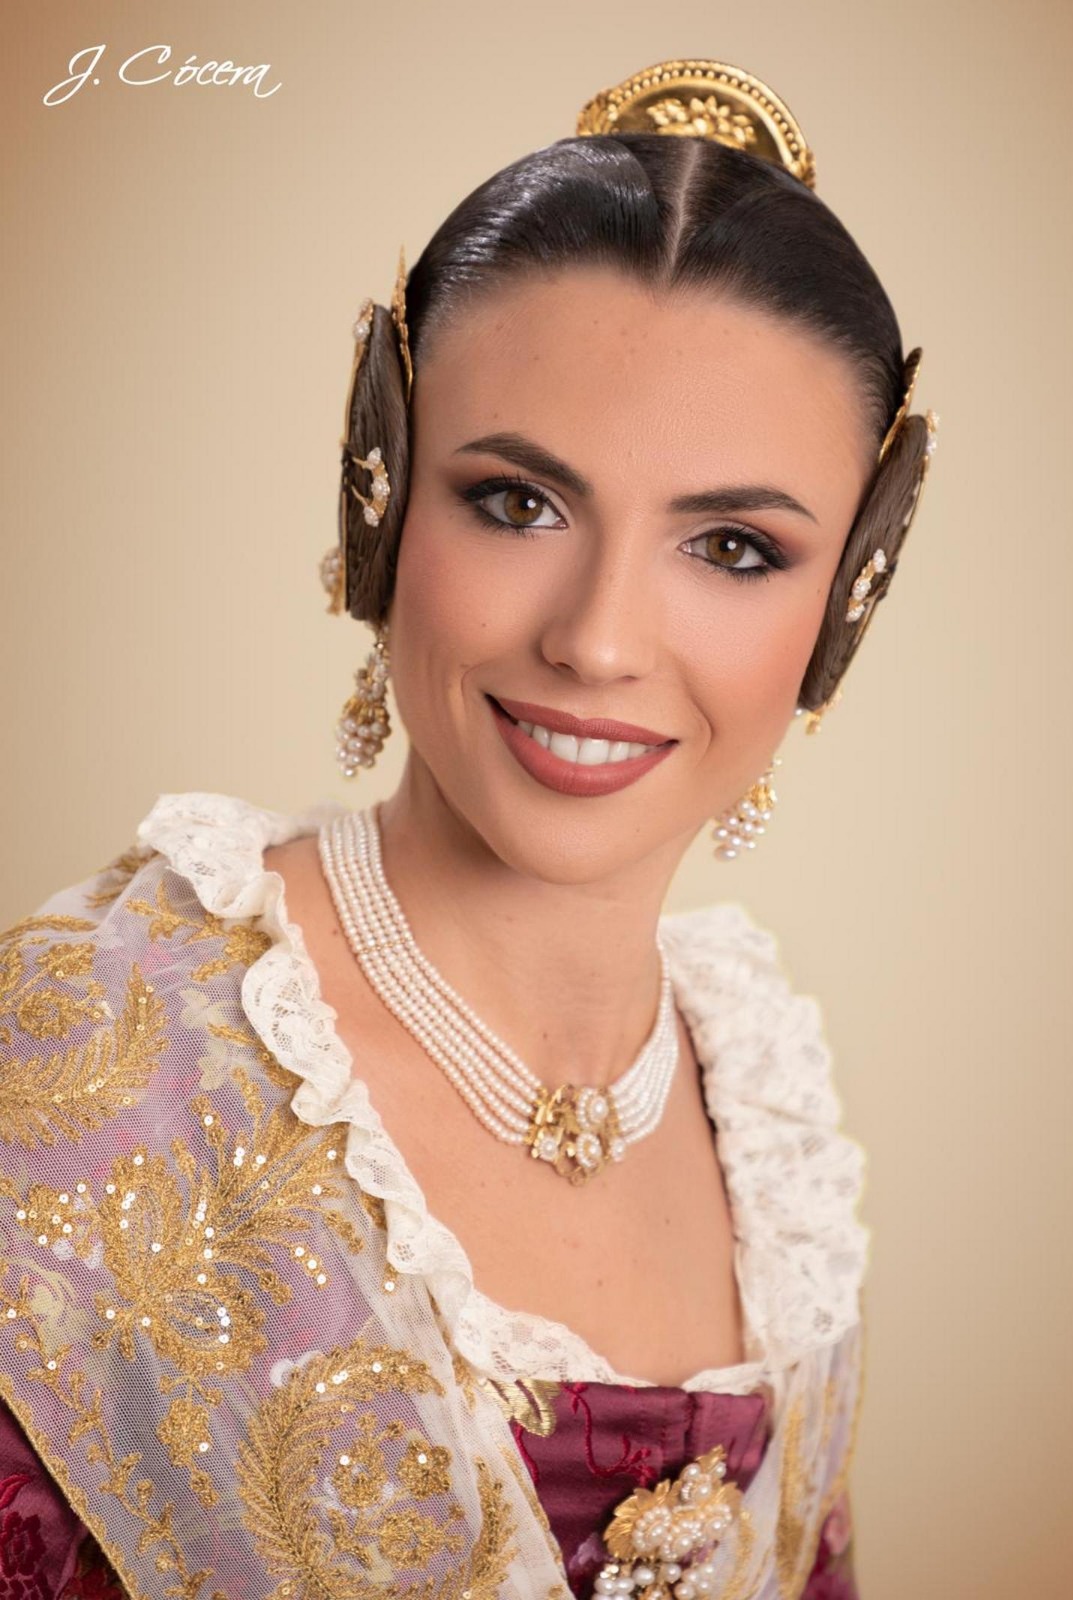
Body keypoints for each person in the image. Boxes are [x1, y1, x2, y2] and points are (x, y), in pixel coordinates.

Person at [0, 57, 937, 1599]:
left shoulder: (771, 1129)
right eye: (517, 504)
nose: (598, 639)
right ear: (379, 500)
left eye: (731, 547)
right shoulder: (94, 1058)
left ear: (846, 603)